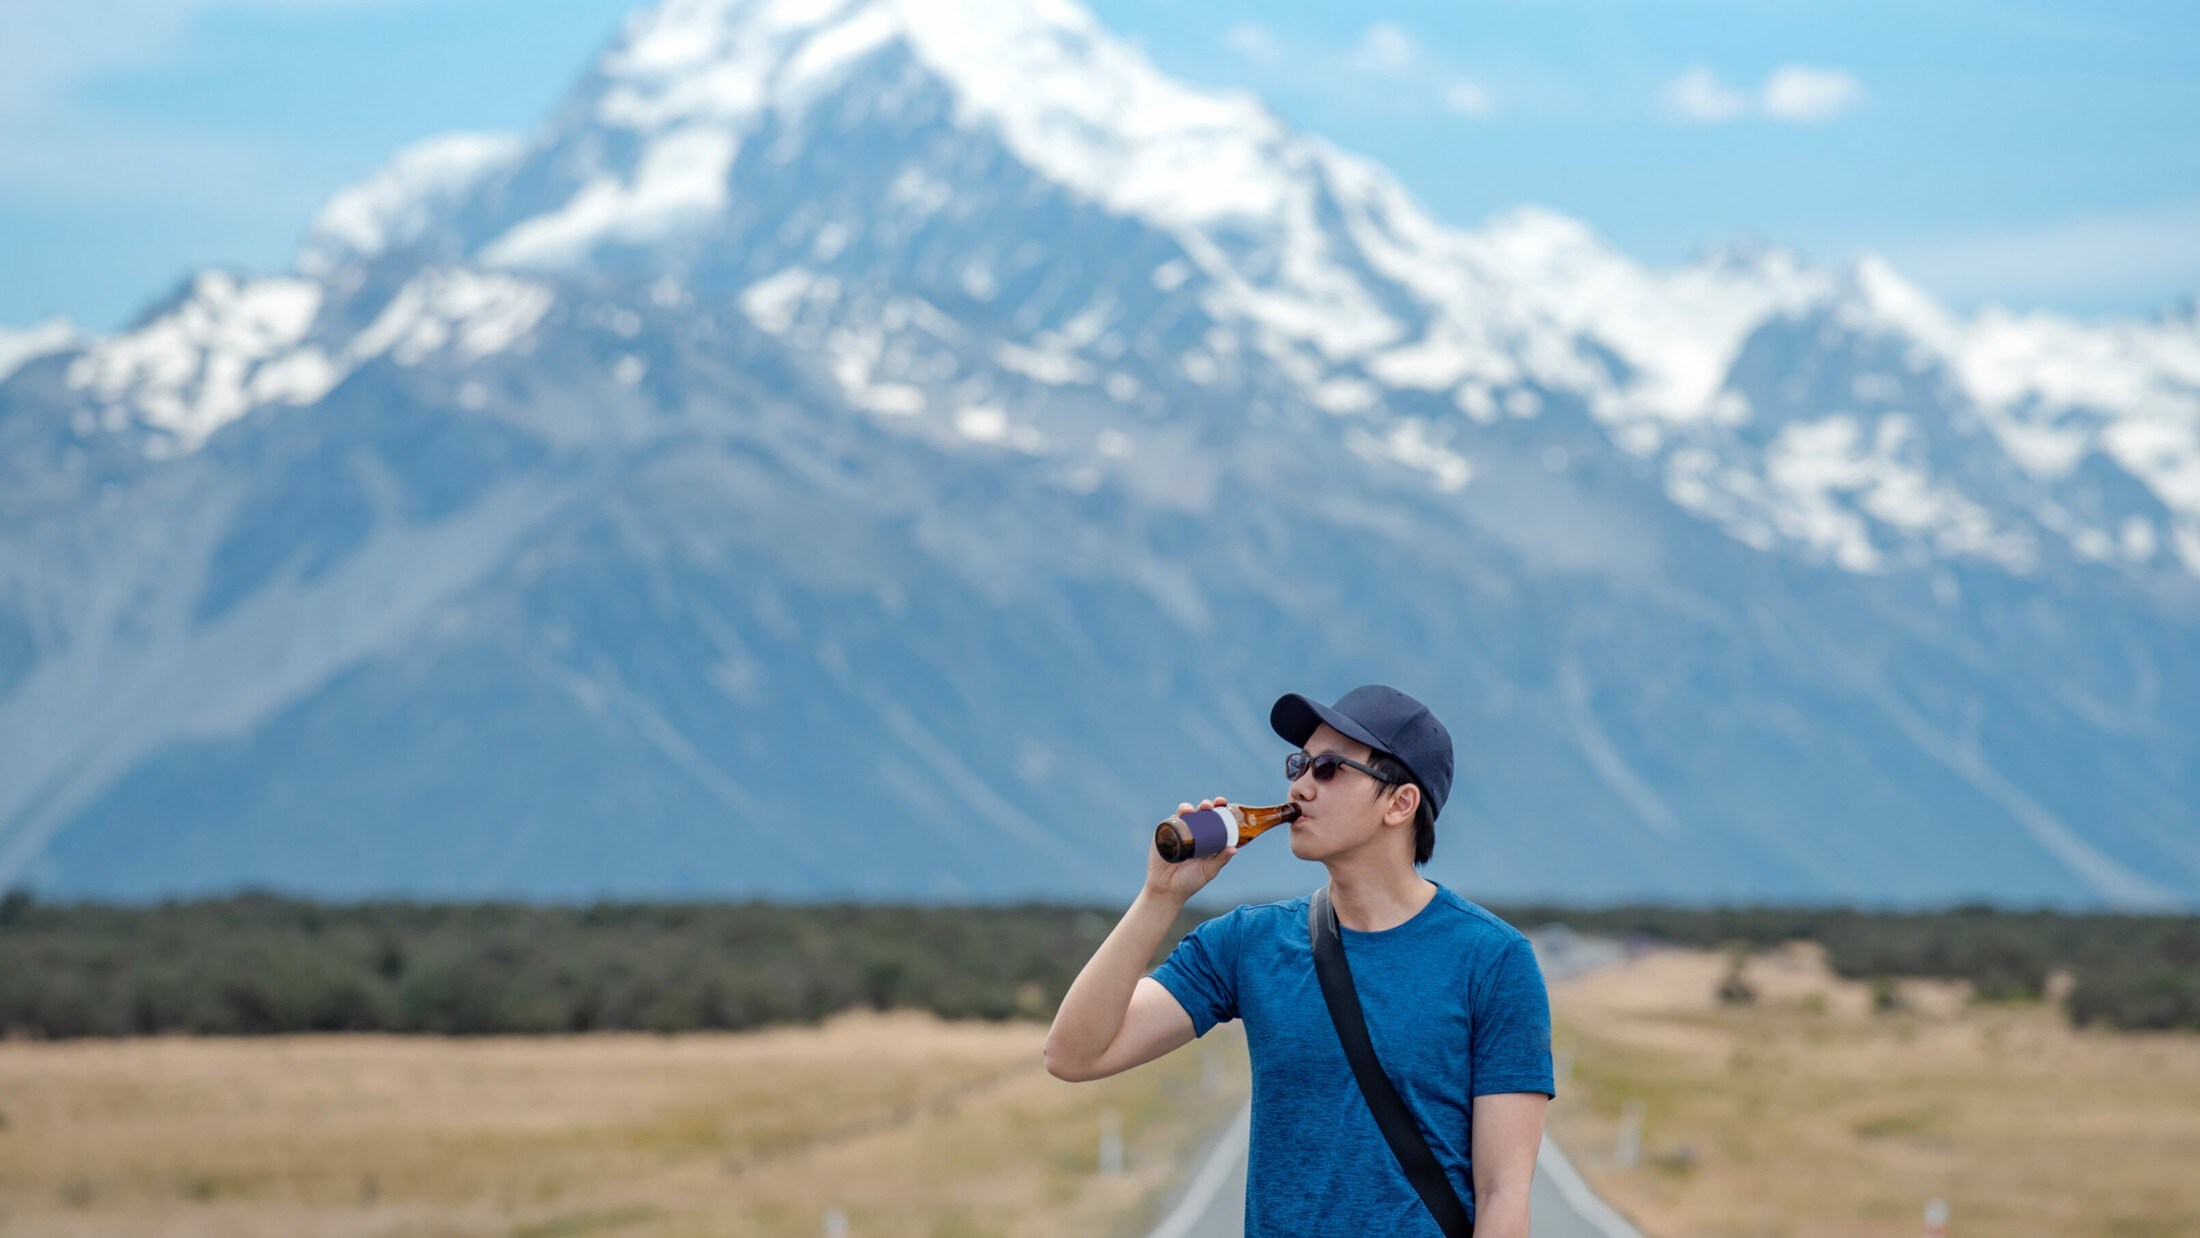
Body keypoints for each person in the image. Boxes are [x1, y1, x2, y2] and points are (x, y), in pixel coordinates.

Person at [1043, 684, 1552, 1237]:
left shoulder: (1494, 961)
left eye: (1329, 769)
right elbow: (1073, 1055)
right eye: (1299, 763)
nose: (1299, 785)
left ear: (1400, 803)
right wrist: (1160, 896)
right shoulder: (1247, 943)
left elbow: (1504, 1194)